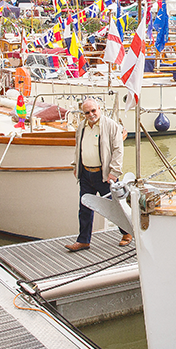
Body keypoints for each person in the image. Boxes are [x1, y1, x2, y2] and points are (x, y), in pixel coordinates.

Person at [66, 97, 129, 253]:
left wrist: (114, 172)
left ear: (99, 108)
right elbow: (79, 148)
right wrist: (76, 166)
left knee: (114, 207)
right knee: (84, 207)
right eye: (87, 112)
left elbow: (118, 150)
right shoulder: (81, 127)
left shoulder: (111, 126)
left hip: (104, 175)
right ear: (83, 114)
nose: (91, 114)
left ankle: (127, 232)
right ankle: (83, 241)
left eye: (93, 111)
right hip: (86, 174)